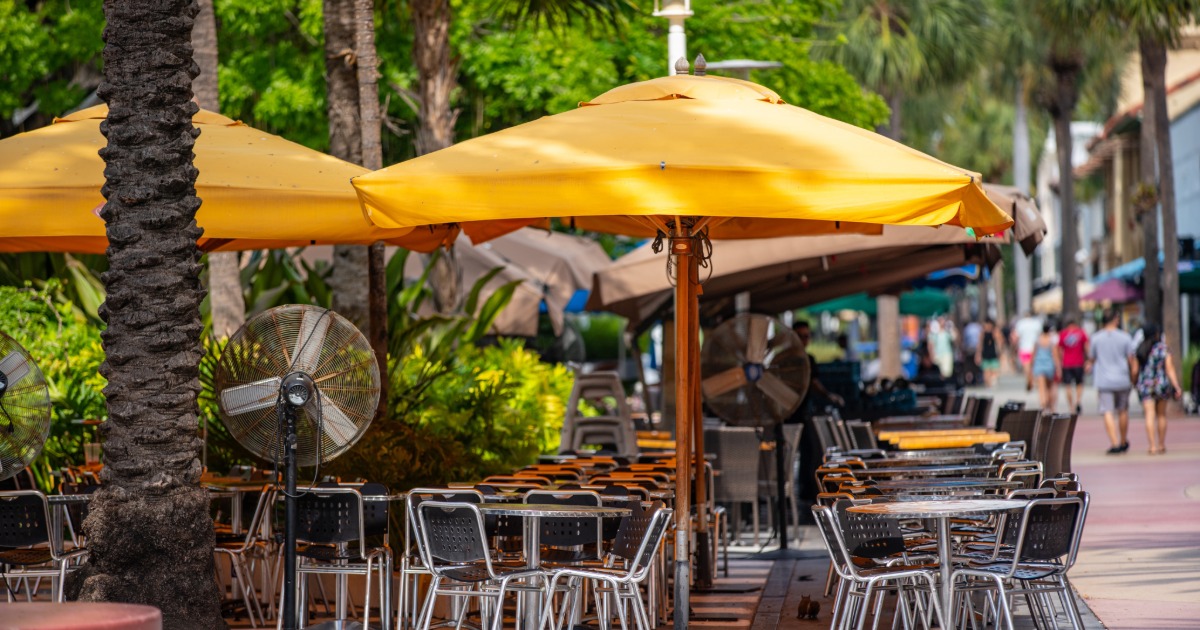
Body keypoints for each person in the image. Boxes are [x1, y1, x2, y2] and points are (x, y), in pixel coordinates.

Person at [790, 320, 844, 507]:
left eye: (806, 336)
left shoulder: (809, 359)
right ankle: (790, 491)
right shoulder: (783, 359)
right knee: (787, 455)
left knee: (807, 452)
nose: (804, 340)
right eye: (800, 336)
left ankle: (804, 490)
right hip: (785, 414)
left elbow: (814, 383)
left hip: (802, 412)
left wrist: (829, 395)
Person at [1089, 309, 1136, 454]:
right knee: (1123, 410)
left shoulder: (1096, 338)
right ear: (1116, 319)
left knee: (1107, 411)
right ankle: (1123, 440)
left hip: (1104, 380)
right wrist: (1133, 378)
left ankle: (1114, 443)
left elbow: (1092, 358)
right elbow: (1131, 360)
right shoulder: (1125, 337)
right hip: (1122, 379)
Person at [1135, 324, 1182, 455]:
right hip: (1161, 384)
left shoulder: (1141, 349)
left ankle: (1152, 446)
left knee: (1149, 415)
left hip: (1145, 384)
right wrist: (1176, 386)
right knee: (1161, 415)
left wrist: (1135, 382)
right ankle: (1161, 444)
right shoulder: (1163, 349)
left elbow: (1135, 369)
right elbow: (1170, 369)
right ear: (1157, 334)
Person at [1056, 317, 1089, 415]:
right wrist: (1087, 360)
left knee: (1068, 386)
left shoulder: (1063, 334)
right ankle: (1078, 401)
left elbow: (1059, 349)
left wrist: (1060, 362)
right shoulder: (1081, 333)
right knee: (1079, 383)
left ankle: (1071, 406)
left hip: (1066, 363)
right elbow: (1087, 347)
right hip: (1079, 362)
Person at [1012, 312, 1043, 391]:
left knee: (1026, 366)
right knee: (1033, 366)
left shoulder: (1020, 323)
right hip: (1035, 348)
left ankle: (1029, 380)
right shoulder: (1037, 323)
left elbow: (1016, 337)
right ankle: (1032, 380)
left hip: (1024, 348)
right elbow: (1040, 335)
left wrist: (1014, 347)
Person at [1032, 322, 1058, 411]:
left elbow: (1033, 354)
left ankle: (1043, 405)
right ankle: (1051, 405)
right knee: (1050, 387)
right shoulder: (1051, 340)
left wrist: (1031, 366)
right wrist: (1058, 368)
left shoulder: (1038, 340)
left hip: (1039, 365)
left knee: (1041, 388)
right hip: (1049, 365)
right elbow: (1055, 355)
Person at [975, 318, 1004, 387]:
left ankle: (992, 383)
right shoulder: (982, 333)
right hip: (985, 353)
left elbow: (1000, 342)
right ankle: (988, 385)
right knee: (986, 371)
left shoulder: (995, 332)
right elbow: (980, 344)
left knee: (994, 371)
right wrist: (978, 354)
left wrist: (1000, 352)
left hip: (993, 353)